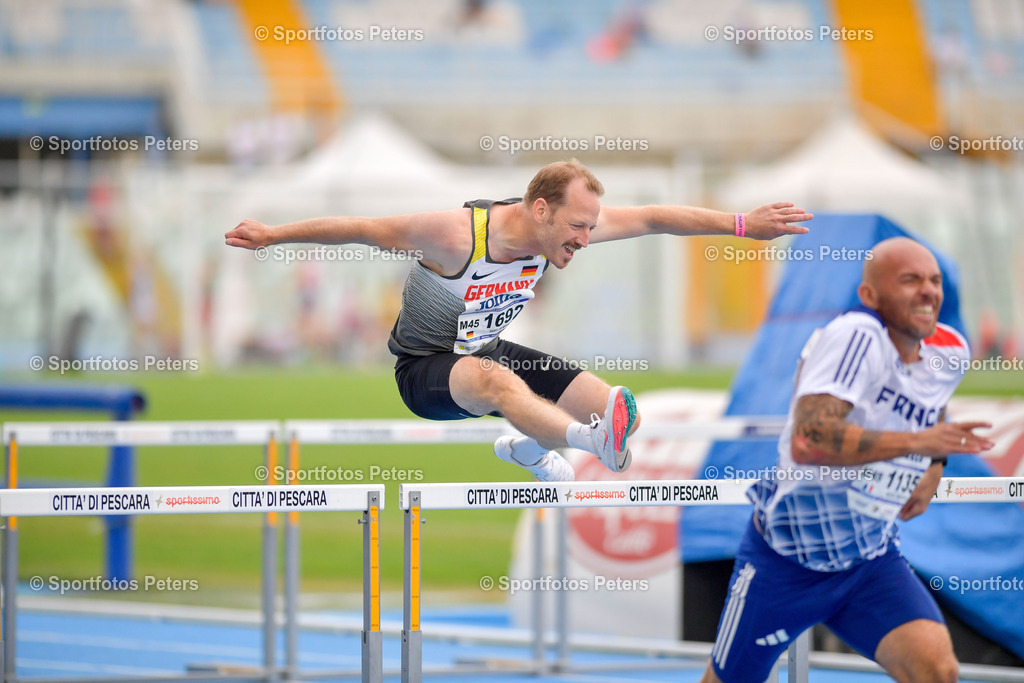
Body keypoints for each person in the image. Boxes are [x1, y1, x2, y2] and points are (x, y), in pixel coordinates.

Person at [226, 160, 812, 482]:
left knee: (611, 408)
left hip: (489, 350)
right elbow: (359, 227)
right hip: (428, 371)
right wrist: (274, 235)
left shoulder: (563, 226)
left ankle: (533, 449)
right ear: (540, 209)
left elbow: (657, 216)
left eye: (590, 227)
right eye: (576, 228)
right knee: (502, 383)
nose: (585, 240)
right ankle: (581, 445)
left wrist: (742, 225)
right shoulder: (455, 235)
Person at [700, 237, 995, 683]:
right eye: (910, 280)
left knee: (938, 670)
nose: (928, 291)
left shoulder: (949, 351)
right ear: (870, 296)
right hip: (785, 561)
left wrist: (936, 464)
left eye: (934, 281)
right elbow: (809, 440)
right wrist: (919, 441)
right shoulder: (856, 336)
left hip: (868, 561)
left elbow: (931, 400)